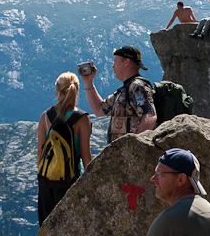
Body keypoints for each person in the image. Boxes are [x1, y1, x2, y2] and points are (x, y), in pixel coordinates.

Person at [37, 72, 92, 226]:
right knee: (69, 227)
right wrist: (91, 182)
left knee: (47, 227)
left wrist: (42, 178)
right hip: (70, 181)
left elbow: (40, 154)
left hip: (46, 181)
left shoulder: (45, 117)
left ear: (57, 92)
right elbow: (86, 155)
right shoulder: (82, 118)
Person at [80, 45, 156, 144]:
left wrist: (138, 146)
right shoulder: (124, 90)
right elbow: (99, 110)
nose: (113, 66)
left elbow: (150, 115)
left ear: (126, 62)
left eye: (115, 61)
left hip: (130, 154)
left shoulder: (137, 86)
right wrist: (88, 82)